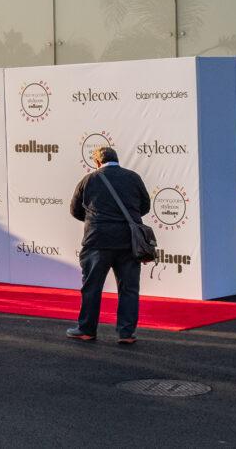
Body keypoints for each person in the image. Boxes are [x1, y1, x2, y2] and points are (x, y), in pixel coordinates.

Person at [68, 145, 151, 344]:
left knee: (92, 287)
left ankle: (86, 330)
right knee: (129, 289)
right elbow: (145, 206)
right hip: (128, 243)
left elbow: (75, 210)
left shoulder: (89, 180)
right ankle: (127, 333)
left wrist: (94, 220)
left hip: (97, 240)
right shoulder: (133, 177)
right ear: (117, 159)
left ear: (97, 162)